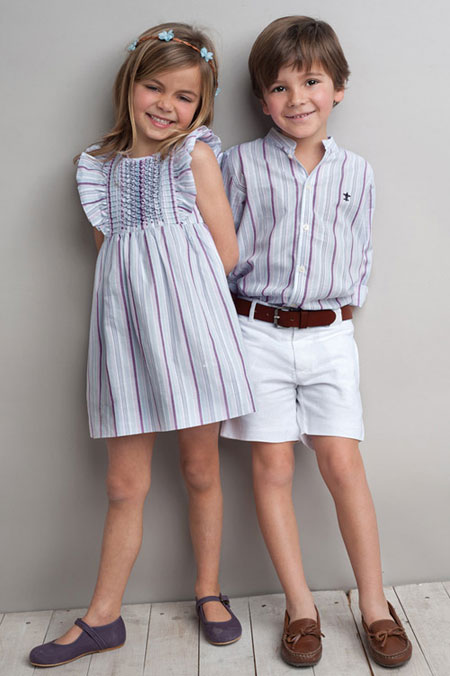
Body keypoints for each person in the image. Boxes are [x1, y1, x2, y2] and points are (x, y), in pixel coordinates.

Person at [29, 22, 254, 668]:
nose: (166, 105)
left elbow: (226, 253)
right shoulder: (96, 169)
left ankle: (208, 590)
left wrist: (176, 304)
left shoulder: (193, 158)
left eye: (184, 96)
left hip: (191, 334)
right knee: (124, 484)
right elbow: (112, 256)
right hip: (125, 340)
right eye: (154, 87)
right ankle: (103, 617)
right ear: (129, 85)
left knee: (200, 469)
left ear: (201, 106)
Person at [221, 16, 412, 669]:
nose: (297, 98)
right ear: (261, 99)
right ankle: (300, 608)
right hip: (254, 332)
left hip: (329, 334)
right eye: (279, 87)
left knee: (342, 464)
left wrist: (336, 314)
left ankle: (375, 606)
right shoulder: (237, 165)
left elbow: (359, 254)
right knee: (272, 468)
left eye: (311, 82)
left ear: (338, 88)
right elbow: (220, 249)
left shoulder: (358, 171)